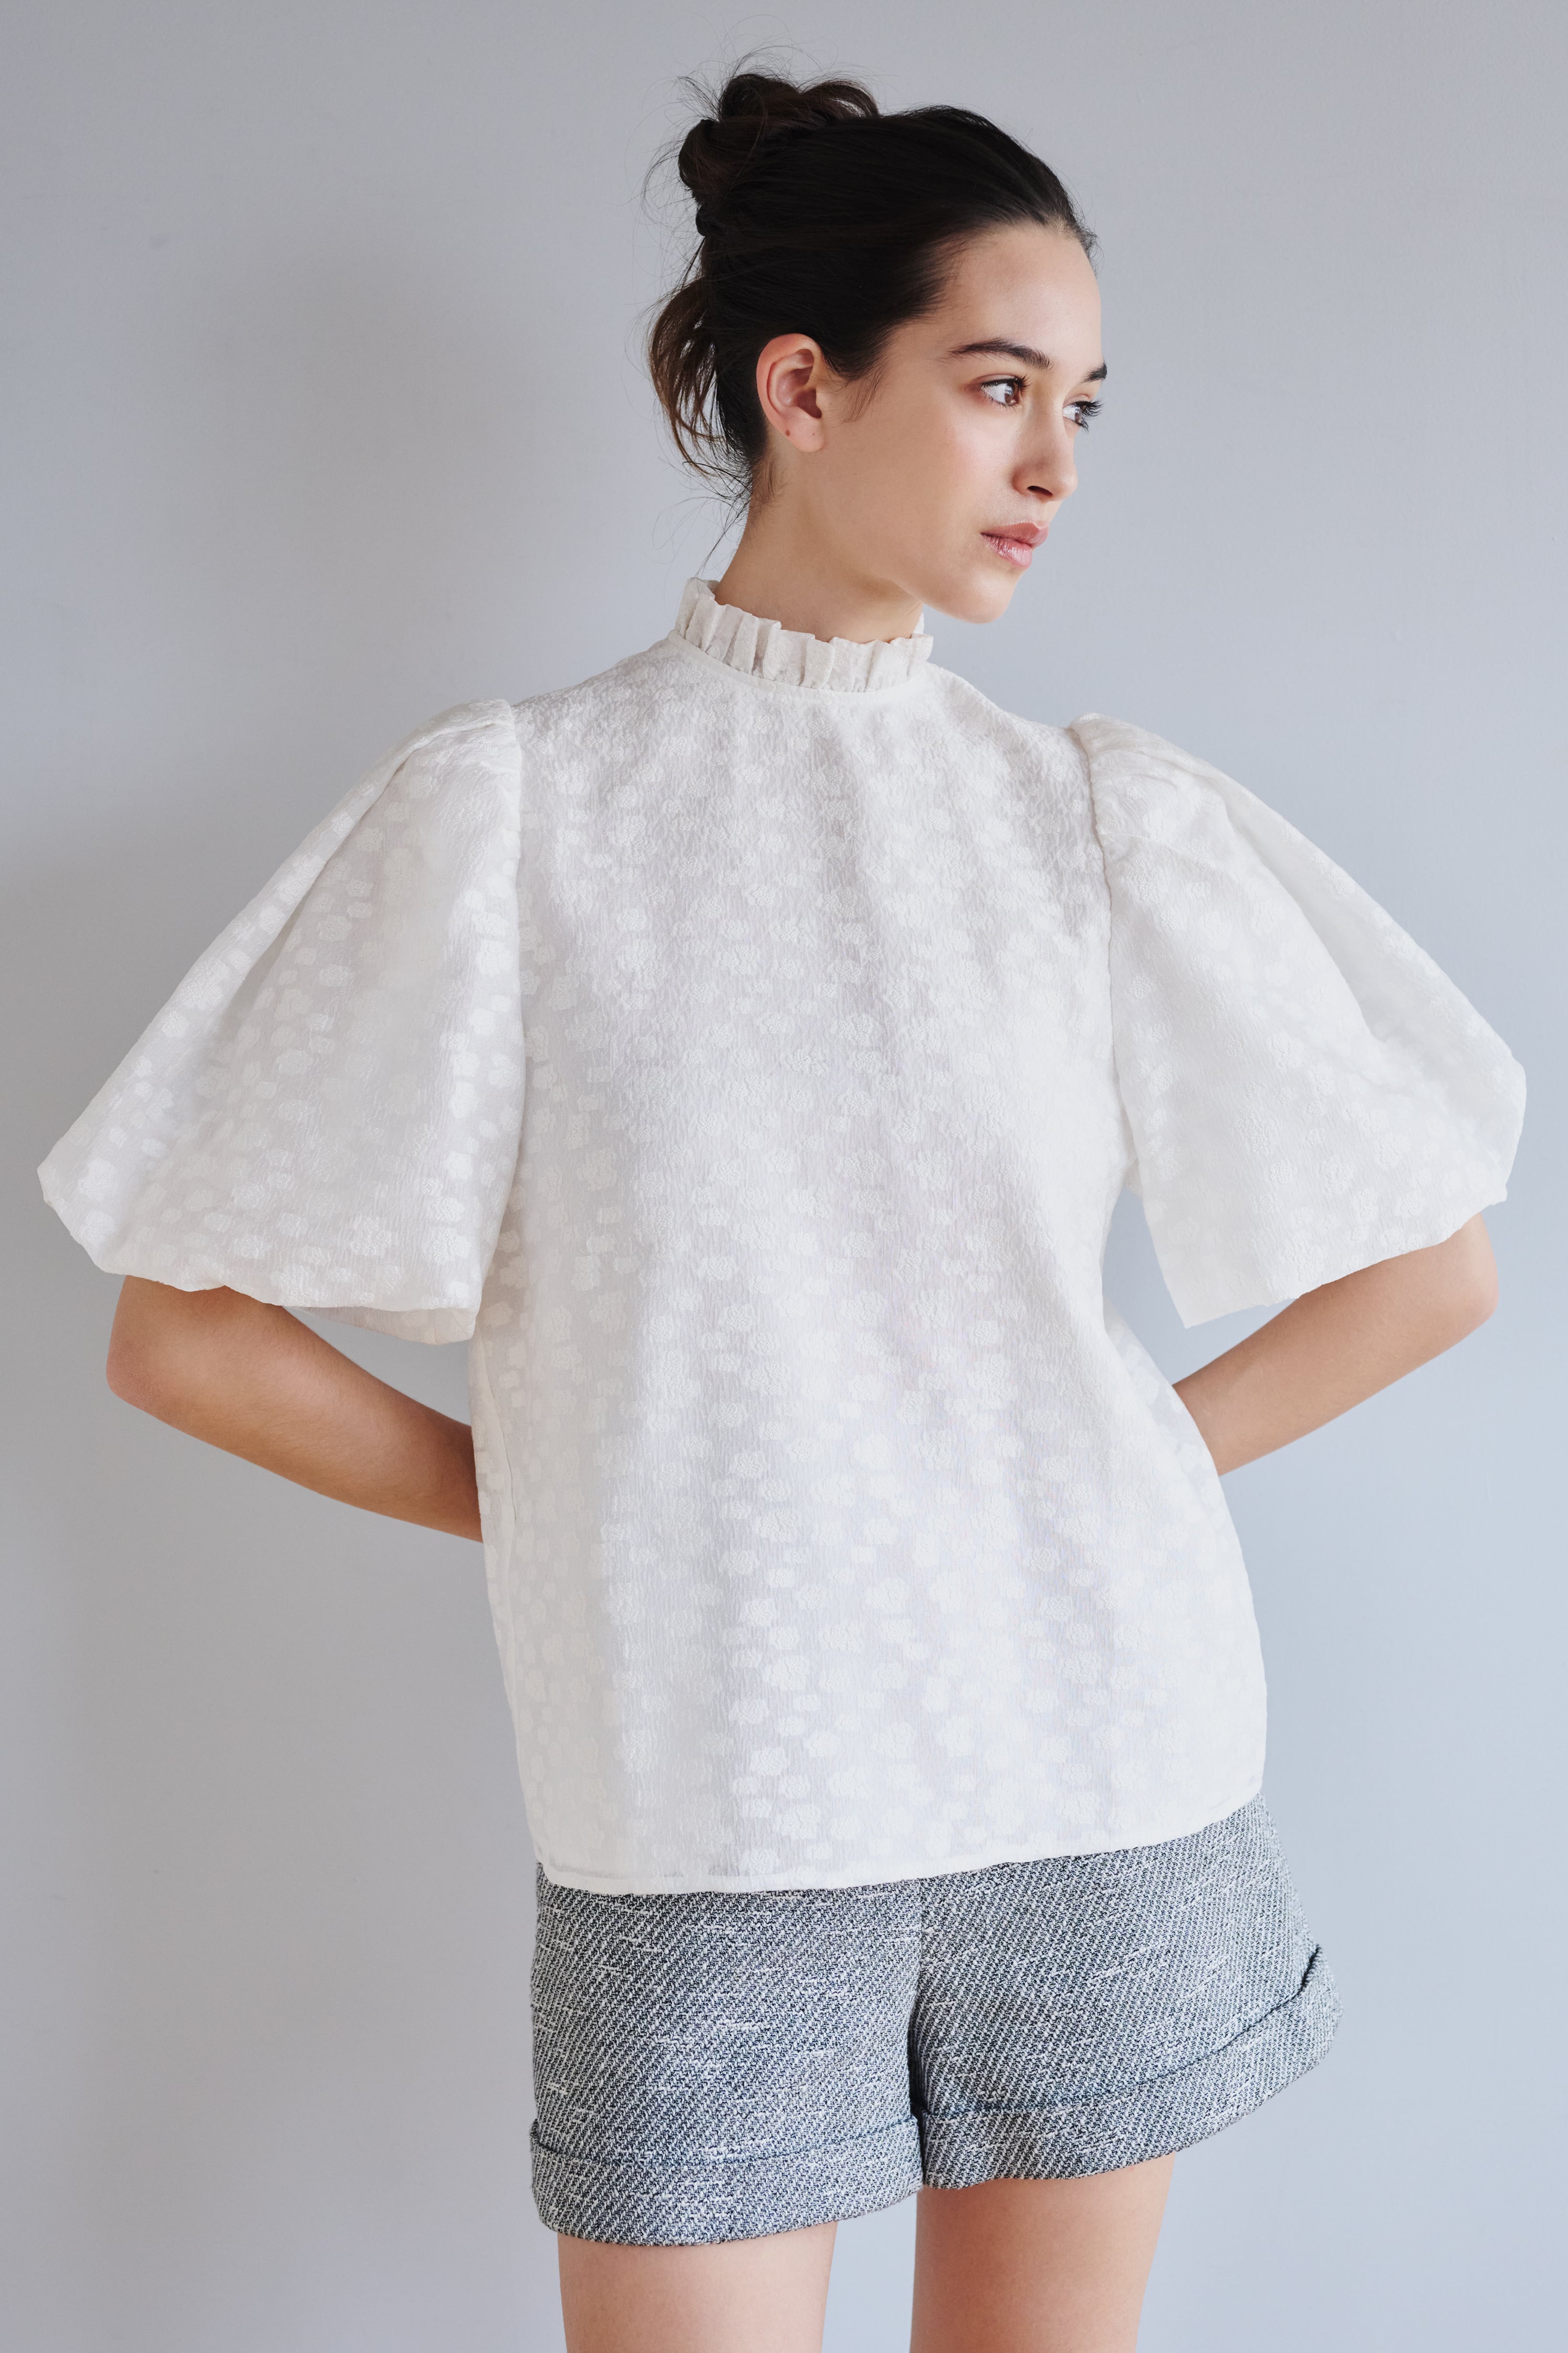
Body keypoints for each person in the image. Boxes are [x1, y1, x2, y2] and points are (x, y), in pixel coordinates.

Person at [38, 64, 1525, 2353]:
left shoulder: (1088, 823)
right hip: (706, 1816)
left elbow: (1435, 1262)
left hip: (1097, 1777)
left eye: (1083, 407)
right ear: (803, 386)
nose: (1054, 465)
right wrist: (578, 1502)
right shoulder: (516, 815)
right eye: (998, 386)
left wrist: (1104, 1470)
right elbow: (186, 1329)